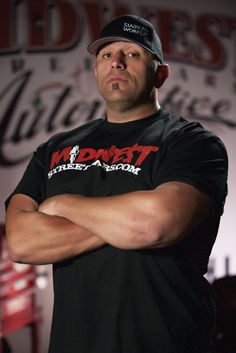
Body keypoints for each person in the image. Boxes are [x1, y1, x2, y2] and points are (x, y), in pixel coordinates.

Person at [5, 14, 228, 353]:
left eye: (133, 54)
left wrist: (61, 205)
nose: (117, 63)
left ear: (161, 74)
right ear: (96, 71)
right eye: (107, 55)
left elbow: (157, 223)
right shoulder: (54, 149)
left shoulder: (191, 142)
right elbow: (22, 241)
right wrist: (125, 222)